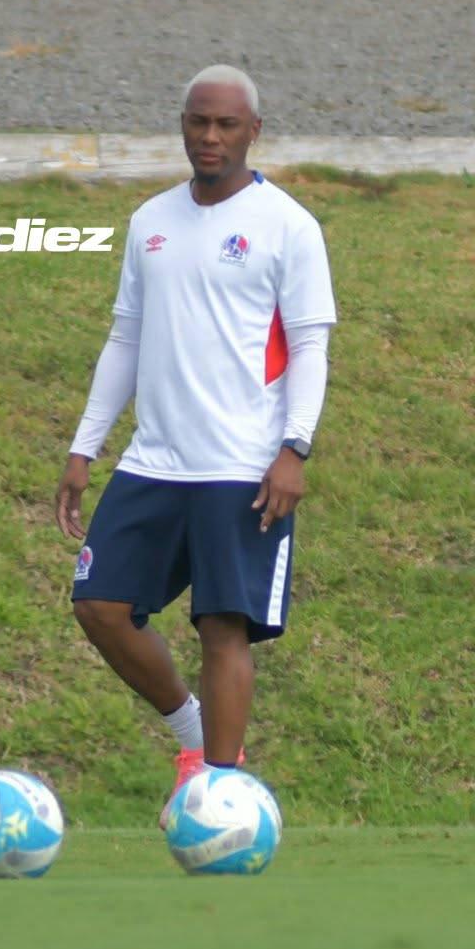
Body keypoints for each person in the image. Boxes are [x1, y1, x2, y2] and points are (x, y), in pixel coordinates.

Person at [55, 64, 337, 828]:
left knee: (222, 626)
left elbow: (310, 347)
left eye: (226, 124)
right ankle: (191, 738)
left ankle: (220, 794)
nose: (210, 137)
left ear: (253, 132)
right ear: (182, 125)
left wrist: (295, 449)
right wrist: (85, 448)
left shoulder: (288, 226)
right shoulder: (150, 220)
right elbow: (125, 338)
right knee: (100, 605)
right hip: (154, 460)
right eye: (197, 122)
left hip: (242, 465)